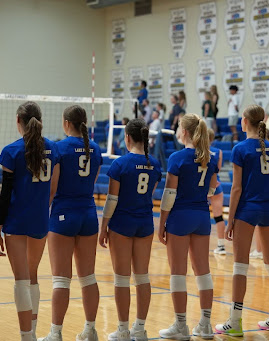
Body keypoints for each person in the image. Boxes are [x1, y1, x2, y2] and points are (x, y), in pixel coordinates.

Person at [215, 105, 269, 335]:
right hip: (267, 209)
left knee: (240, 266)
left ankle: (235, 322)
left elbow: (236, 188)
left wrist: (231, 218)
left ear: (245, 121)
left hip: (247, 209)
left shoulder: (241, 148)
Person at [0, 101, 60, 341]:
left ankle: (26, 337)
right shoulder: (54, 149)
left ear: (18, 121)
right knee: (33, 275)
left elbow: (5, 195)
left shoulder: (11, 151)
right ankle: (31, 332)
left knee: (21, 279)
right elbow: (53, 189)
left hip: (16, 221)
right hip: (40, 220)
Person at [39, 106, 101, 341]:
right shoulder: (95, 149)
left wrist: (42, 214)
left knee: (61, 279)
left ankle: (55, 333)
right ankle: (90, 330)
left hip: (63, 216)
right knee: (88, 277)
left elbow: (53, 189)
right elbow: (92, 182)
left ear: (66, 123)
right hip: (88, 215)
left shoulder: (59, 148)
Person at [99, 118, 162, 341]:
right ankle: (140, 329)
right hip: (145, 223)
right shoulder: (155, 164)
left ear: (127, 137)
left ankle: (123, 330)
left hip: (122, 224)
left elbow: (112, 199)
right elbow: (150, 193)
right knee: (143, 277)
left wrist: (103, 226)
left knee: (122, 279)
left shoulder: (120, 164)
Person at [158, 113, 219, 339]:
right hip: (202, 216)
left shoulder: (177, 158)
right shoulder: (211, 158)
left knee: (178, 273)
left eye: (178, 127)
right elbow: (212, 189)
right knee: (203, 272)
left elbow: (169, 194)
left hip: (180, 217)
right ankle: (205, 324)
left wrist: (162, 222)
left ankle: (181, 326)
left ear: (184, 131)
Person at [209, 129, 226, 255]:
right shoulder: (218, 152)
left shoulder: (199, 151)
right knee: (218, 216)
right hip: (216, 185)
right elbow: (217, 170)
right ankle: (221, 245)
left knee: (199, 213)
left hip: (202, 185)